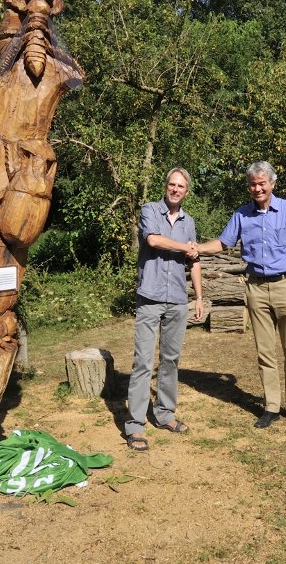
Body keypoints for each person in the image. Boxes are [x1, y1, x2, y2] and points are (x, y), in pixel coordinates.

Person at [197, 161, 286, 429]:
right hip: (255, 288)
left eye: (262, 183)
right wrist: (195, 248)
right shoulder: (242, 215)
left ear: (272, 184)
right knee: (265, 352)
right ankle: (271, 406)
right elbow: (222, 243)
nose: (257, 188)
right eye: (253, 184)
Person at [124, 168, 204, 452]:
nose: (175, 189)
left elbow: (194, 261)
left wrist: (199, 296)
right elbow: (154, 240)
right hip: (150, 296)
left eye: (181, 186)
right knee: (143, 362)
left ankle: (164, 414)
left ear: (186, 191)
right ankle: (135, 425)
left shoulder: (189, 221)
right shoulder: (150, 210)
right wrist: (185, 247)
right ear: (166, 186)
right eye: (171, 184)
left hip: (178, 299)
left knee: (170, 359)